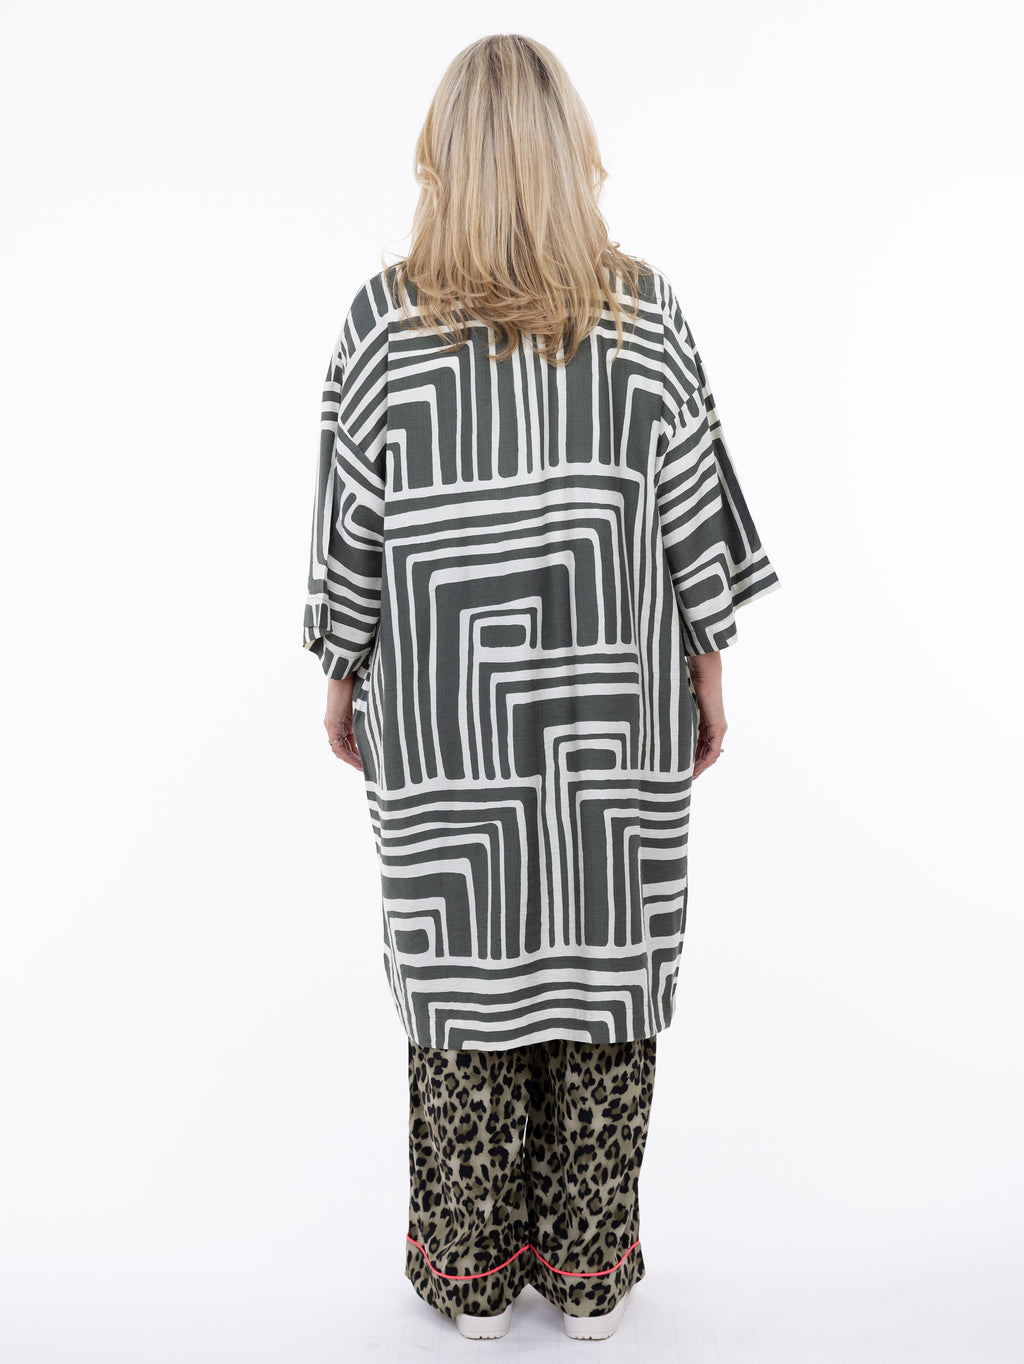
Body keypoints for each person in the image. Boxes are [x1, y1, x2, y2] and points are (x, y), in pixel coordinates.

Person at [302, 33, 782, 1342]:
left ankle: (469, 1282)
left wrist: (342, 675)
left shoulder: (382, 326)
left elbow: (350, 536)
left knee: (467, 981)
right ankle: (586, 1277)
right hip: (613, 727)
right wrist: (709, 675)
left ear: (442, 158)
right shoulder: (644, 316)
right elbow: (696, 523)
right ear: (574, 154)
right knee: (605, 975)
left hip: (447, 733)